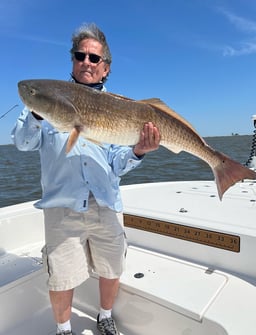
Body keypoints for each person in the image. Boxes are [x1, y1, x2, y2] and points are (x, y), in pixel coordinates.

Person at [12, 23, 160, 335]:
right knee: (61, 275)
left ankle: (104, 316)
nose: (86, 62)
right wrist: (38, 112)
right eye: (80, 56)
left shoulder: (120, 109)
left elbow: (117, 164)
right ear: (73, 60)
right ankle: (64, 329)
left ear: (105, 68)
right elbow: (23, 142)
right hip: (63, 207)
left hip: (105, 202)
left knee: (111, 267)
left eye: (94, 59)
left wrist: (138, 152)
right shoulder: (47, 99)